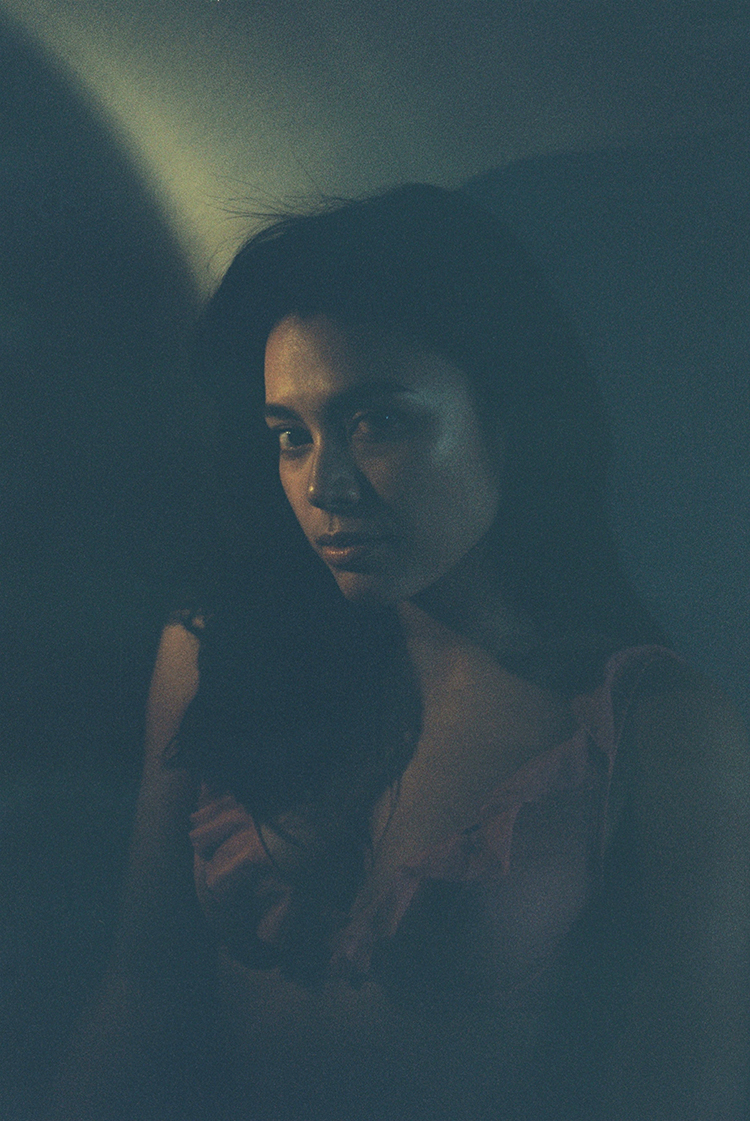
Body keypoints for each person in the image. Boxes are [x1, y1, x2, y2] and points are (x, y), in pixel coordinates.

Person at [54, 185, 749, 1120]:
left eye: (377, 421)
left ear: (509, 418)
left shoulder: (653, 731)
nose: (324, 486)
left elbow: (686, 1087)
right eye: (290, 437)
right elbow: (139, 994)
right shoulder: (218, 649)